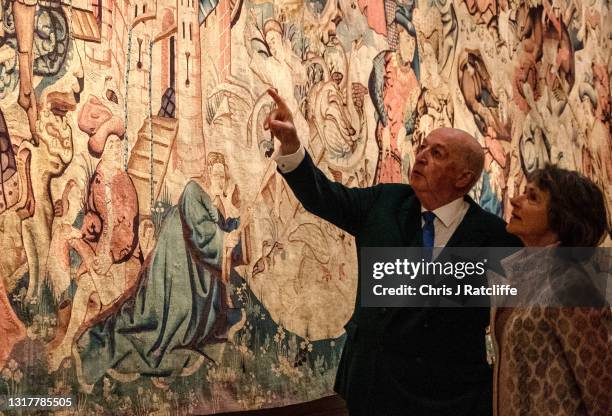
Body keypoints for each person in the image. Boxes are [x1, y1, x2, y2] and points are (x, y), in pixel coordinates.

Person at [264, 88, 521, 416]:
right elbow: (323, 196)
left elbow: (515, 322)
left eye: (438, 153)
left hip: (449, 397)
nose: (422, 156)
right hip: (374, 388)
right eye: (423, 147)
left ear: (463, 178)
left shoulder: (495, 238)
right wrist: (291, 146)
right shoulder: (384, 203)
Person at [72, 175, 245, 392]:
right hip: (175, 265)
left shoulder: (214, 201)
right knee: (163, 320)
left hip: (191, 268)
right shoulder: (193, 189)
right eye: (217, 173)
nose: (220, 180)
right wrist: (222, 239)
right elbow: (202, 233)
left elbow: (219, 232)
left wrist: (229, 214)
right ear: (209, 171)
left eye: (223, 177)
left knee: (191, 319)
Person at [491, 165, 611, 416]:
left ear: (562, 217)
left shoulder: (572, 286)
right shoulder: (519, 275)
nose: (514, 200)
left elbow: (602, 390)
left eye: (532, 197)